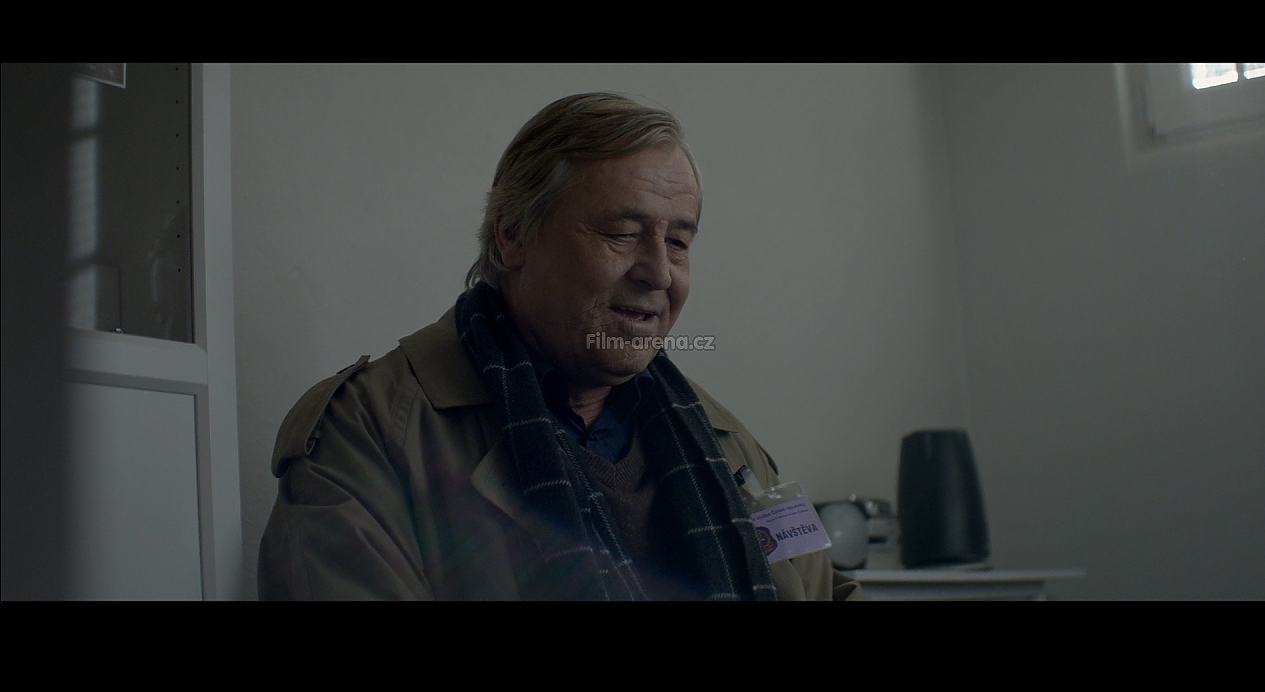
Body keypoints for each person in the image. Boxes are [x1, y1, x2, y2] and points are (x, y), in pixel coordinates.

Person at [258, 91, 862, 601]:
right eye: (621, 233)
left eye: (679, 243)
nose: (659, 272)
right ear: (513, 234)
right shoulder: (370, 431)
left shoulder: (722, 438)